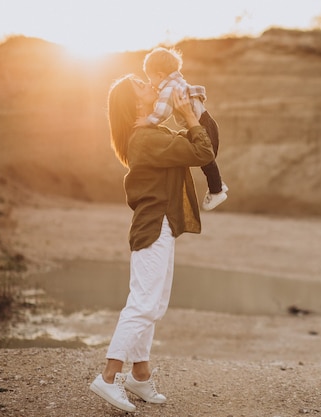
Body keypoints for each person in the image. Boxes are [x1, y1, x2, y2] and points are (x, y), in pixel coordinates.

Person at [89, 74, 215, 412]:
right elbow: (203, 151)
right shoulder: (144, 138)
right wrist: (189, 117)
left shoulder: (150, 135)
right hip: (153, 227)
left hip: (161, 226)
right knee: (144, 304)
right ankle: (109, 375)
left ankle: (140, 376)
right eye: (142, 87)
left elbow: (201, 145)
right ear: (136, 104)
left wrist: (191, 116)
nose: (151, 86)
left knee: (153, 304)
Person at [136, 46, 228, 211]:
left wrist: (148, 121)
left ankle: (217, 190)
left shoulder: (168, 89)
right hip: (206, 121)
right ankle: (218, 185)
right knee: (206, 157)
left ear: (159, 75)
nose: (151, 84)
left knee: (206, 158)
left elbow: (163, 112)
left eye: (150, 79)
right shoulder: (178, 82)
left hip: (201, 125)